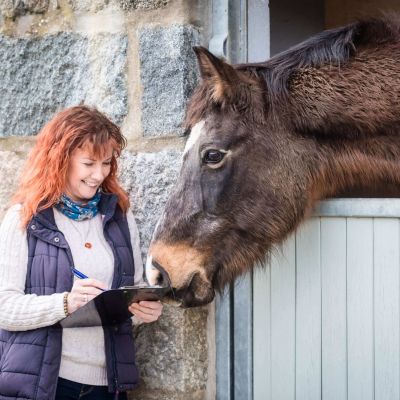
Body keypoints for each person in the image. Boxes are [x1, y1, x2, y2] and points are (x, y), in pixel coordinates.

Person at [0, 105, 163, 400]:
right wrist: (65, 303)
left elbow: (127, 297)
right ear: (60, 159)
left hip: (109, 387)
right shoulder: (23, 218)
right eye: (89, 163)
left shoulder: (120, 217)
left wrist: (143, 312)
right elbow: (5, 308)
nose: (99, 174)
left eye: (106, 163)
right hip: (46, 386)